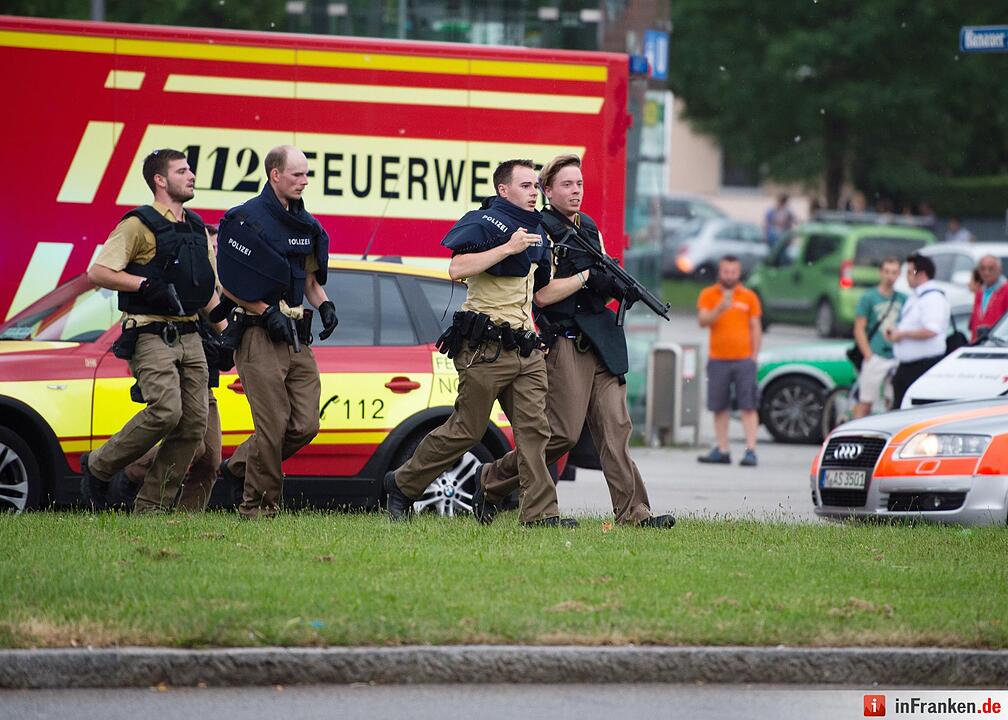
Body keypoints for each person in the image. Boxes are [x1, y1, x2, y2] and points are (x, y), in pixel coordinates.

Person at [474, 155, 675, 529]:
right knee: (561, 433)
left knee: (616, 431)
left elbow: (600, 277)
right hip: (565, 342)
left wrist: (614, 286)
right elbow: (544, 295)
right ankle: (491, 480)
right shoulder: (541, 230)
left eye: (579, 184)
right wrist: (586, 277)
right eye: (566, 185)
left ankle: (635, 513)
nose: (576, 191)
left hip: (602, 342)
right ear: (548, 191)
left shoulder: (590, 228)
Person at [384, 159, 571, 527]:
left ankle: (540, 514)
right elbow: (457, 268)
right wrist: (507, 248)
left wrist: (583, 279)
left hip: (525, 349)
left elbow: (538, 293)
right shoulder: (483, 221)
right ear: (504, 190)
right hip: (485, 348)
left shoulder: (540, 233)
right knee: (466, 430)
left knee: (535, 431)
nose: (534, 192)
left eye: (536, 186)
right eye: (526, 186)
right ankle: (402, 484)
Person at [80, 148, 221, 513]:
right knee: (166, 411)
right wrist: (143, 286)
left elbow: (205, 292)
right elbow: (98, 272)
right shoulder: (137, 225)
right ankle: (98, 466)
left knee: (193, 427)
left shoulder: (195, 228)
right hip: (150, 332)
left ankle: (151, 508)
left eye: (190, 170)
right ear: (160, 180)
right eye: (182, 171)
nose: (191, 176)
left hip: (191, 335)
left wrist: (225, 330)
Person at [215, 145, 338, 519]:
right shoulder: (244, 220)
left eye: (306, 174)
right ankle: (258, 508)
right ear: (275, 175)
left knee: (305, 424)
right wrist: (264, 311)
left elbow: (309, 280)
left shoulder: (305, 224)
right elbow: (229, 282)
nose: (304, 181)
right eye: (297, 174)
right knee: (272, 426)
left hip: (297, 336)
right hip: (257, 335)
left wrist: (325, 304)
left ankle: (238, 467)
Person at [114, 226, 229, 511]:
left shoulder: (219, 290)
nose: (212, 255)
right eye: (209, 249)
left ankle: (187, 521)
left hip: (205, 381)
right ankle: (128, 474)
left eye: (215, 250)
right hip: (177, 372)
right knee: (195, 446)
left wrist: (226, 347)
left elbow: (222, 329)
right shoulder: (183, 283)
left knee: (211, 458)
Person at [696, 256, 762, 465]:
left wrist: (754, 356)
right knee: (719, 406)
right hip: (718, 359)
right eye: (726, 271)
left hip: (743, 359)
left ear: (738, 273)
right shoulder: (709, 294)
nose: (730, 276)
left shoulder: (749, 296)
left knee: (748, 405)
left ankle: (750, 449)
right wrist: (720, 308)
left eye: (733, 272)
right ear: (720, 272)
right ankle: (722, 448)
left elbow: (755, 326)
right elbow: (702, 321)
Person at [887, 253, 950, 408]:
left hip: (922, 366)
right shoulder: (917, 297)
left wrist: (902, 334)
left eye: (910, 272)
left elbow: (931, 330)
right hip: (908, 366)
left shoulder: (933, 298)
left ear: (921, 274)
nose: (907, 277)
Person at [851, 257, 906, 418]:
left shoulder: (903, 298)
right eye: (887, 272)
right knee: (865, 401)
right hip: (876, 354)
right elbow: (859, 328)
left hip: (896, 356)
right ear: (881, 273)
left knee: (893, 403)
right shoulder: (869, 297)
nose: (890, 276)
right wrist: (868, 355)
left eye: (894, 272)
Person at [969, 255, 1008, 342]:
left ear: (999, 270)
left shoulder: (1006, 289)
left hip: (998, 344)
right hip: (980, 343)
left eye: (991, 268)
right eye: (983, 269)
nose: (986, 272)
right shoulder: (980, 291)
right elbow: (975, 320)